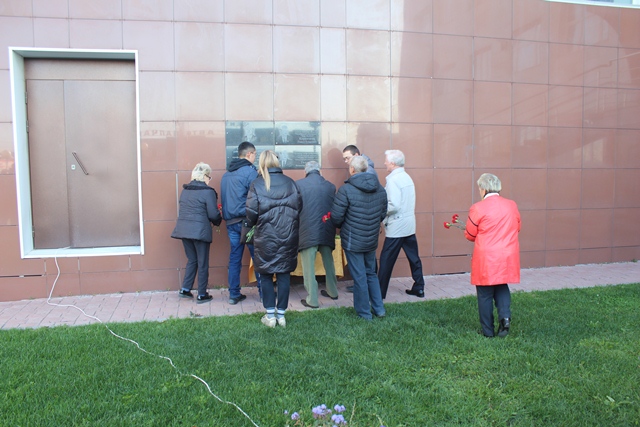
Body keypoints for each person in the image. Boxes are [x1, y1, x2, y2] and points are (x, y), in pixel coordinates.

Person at [246, 150, 302, 327]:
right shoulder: (291, 183)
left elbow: (251, 213)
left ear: (262, 163)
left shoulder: (257, 184)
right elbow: (299, 207)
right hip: (288, 235)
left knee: (266, 274)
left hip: (266, 236)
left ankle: (270, 316)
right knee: (284, 274)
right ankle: (281, 315)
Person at [464, 173, 521, 338]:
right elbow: (517, 227)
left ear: (483, 189)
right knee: (502, 286)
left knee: (484, 293)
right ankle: (505, 318)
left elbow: (470, 234)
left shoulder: (478, 208)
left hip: (487, 256)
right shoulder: (511, 205)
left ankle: (488, 331)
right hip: (507, 254)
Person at [330, 156, 387, 320]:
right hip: (371, 238)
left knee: (360, 276)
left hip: (352, 240)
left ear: (352, 169)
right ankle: (379, 309)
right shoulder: (380, 188)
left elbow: (336, 217)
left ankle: (364, 313)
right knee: (371, 273)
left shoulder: (346, 190)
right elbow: (382, 213)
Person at [378, 150, 426, 299]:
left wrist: (381, 213)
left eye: (386, 161)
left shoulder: (393, 180)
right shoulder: (406, 177)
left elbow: (393, 205)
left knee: (386, 260)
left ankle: (379, 293)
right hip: (409, 224)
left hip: (396, 226)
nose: (385, 163)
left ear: (392, 163)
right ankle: (419, 287)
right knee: (414, 258)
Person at [171, 162, 222, 303]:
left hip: (184, 230)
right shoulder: (208, 192)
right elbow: (213, 214)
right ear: (204, 176)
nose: (209, 180)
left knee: (192, 259)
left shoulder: (185, 190)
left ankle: (185, 289)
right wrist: (218, 220)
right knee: (202, 262)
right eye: (209, 177)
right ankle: (202, 294)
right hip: (200, 231)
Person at [296, 161, 339, 308]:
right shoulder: (330, 186)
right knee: (329, 262)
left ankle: (312, 300)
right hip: (326, 228)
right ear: (320, 171)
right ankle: (333, 291)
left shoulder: (299, 185)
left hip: (307, 230)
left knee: (308, 266)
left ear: (305, 171)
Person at [220, 141, 259, 305]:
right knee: (257, 257)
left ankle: (234, 294)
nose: (255, 158)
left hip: (231, 222)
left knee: (235, 258)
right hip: (247, 222)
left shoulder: (226, 175)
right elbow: (257, 196)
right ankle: (264, 293)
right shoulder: (250, 172)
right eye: (255, 154)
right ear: (249, 154)